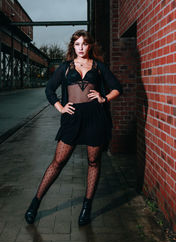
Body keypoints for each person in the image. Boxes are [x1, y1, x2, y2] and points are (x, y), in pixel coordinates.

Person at [25, 30, 122, 226]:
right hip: (72, 119)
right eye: (77, 44)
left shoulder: (99, 66)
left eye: (84, 44)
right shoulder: (65, 67)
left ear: (90, 46)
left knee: (93, 161)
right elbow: (49, 89)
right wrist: (60, 107)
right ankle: (35, 203)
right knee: (58, 162)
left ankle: (87, 207)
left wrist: (104, 98)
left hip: (95, 118)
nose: (81, 48)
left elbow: (117, 87)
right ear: (73, 47)